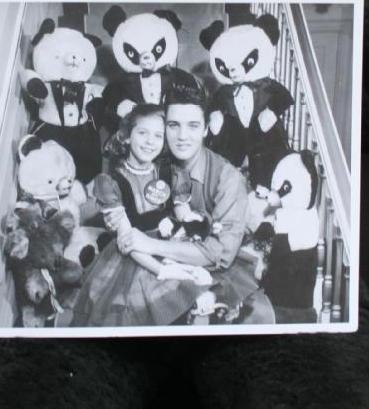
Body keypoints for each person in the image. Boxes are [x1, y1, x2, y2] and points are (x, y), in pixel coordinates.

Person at [117, 84, 275, 324]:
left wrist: (150, 245)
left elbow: (218, 253)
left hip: (208, 267)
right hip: (158, 257)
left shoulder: (228, 178)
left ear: (206, 128)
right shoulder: (154, 161)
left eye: (192, 126)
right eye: (173, 125)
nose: (182, 136)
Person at [71, 104, 210, 327]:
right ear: (127, 136)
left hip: (170, 244)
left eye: (158, 136)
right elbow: (128, 240)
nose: (150, 142)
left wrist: (193, 225)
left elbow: (183, 213)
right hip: (136, 257)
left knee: (201, 296)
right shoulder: (111, 182)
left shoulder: (170, 172)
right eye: (143, 133)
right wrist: (164, 270)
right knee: (139, 314)